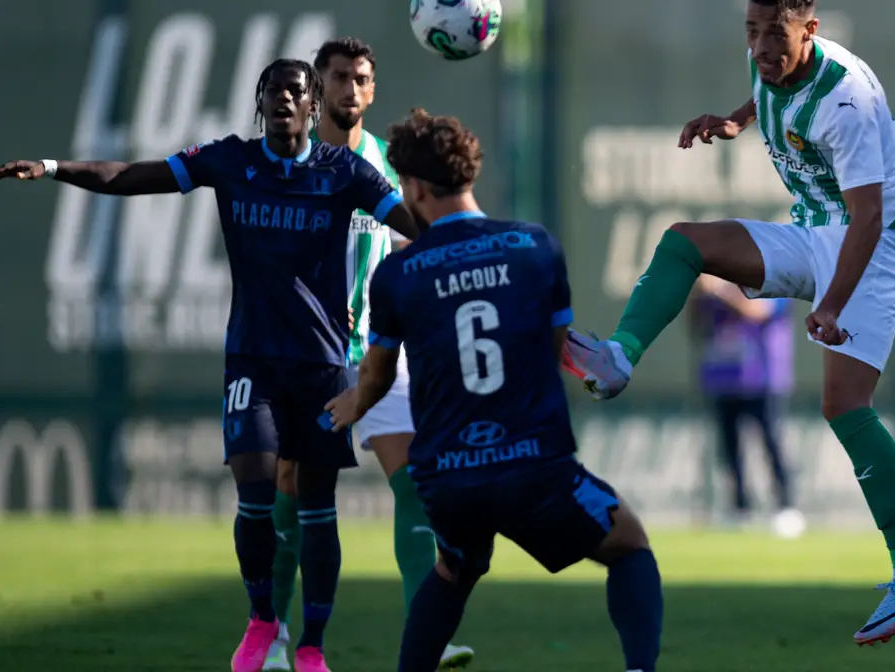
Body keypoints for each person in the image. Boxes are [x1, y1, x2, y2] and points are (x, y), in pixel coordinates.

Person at [0, 58, 420, 672]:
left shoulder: (345, 171)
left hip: (323, 366)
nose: (284, 100)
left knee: (318, 508)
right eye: (273, 91)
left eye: (296, 92)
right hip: (253, 361)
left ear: (313, 107)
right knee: (255, 494)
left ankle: (315, 647)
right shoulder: (230, 161)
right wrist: (54, 168)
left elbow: (412, 228)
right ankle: (264, 618)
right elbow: (129, 176)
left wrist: (465, 246)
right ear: (259, 101)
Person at [562, 0, 895, 646]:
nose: (762, 46)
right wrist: (735, 121)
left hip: (875, 248)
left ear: (811, 31)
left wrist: (829, 304)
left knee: (845, 407)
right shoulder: (767, 60)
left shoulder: (846, 101)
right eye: (751, 31)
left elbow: (870, 217)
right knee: (685, 241)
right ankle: (621, 355)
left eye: (776, 33)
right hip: (816, 228)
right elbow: (767, 89)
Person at [324, 109, 665, 672]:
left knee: (454, 569)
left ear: (411, 187)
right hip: (533, 466)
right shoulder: (534, 247)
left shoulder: (398, 273)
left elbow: (379, 377)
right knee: (629, 546)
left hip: (448, 475)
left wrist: (351, 403)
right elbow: (557, 346)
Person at [262, 38, 473, 672]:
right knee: (292, 487)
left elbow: (423, 241)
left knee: (414, 484)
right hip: (310, 356)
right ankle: (271, 634)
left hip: (384, 355)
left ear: (372, 90)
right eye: (337, 78)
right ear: (317, 88)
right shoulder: (293, 163)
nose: (349, 90)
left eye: (360, 79)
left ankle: (428, 635)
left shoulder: (386, 168)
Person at [691, 277, 803, 535]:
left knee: (771, 443)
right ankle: (740, 507)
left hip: (762, 378)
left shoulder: (774, 280)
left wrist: (720, 291)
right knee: (730, 448)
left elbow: (758, 312)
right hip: (723, 377)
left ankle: (786, 506)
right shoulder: (715, 286)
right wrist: (698, 293)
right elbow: (696, 325)